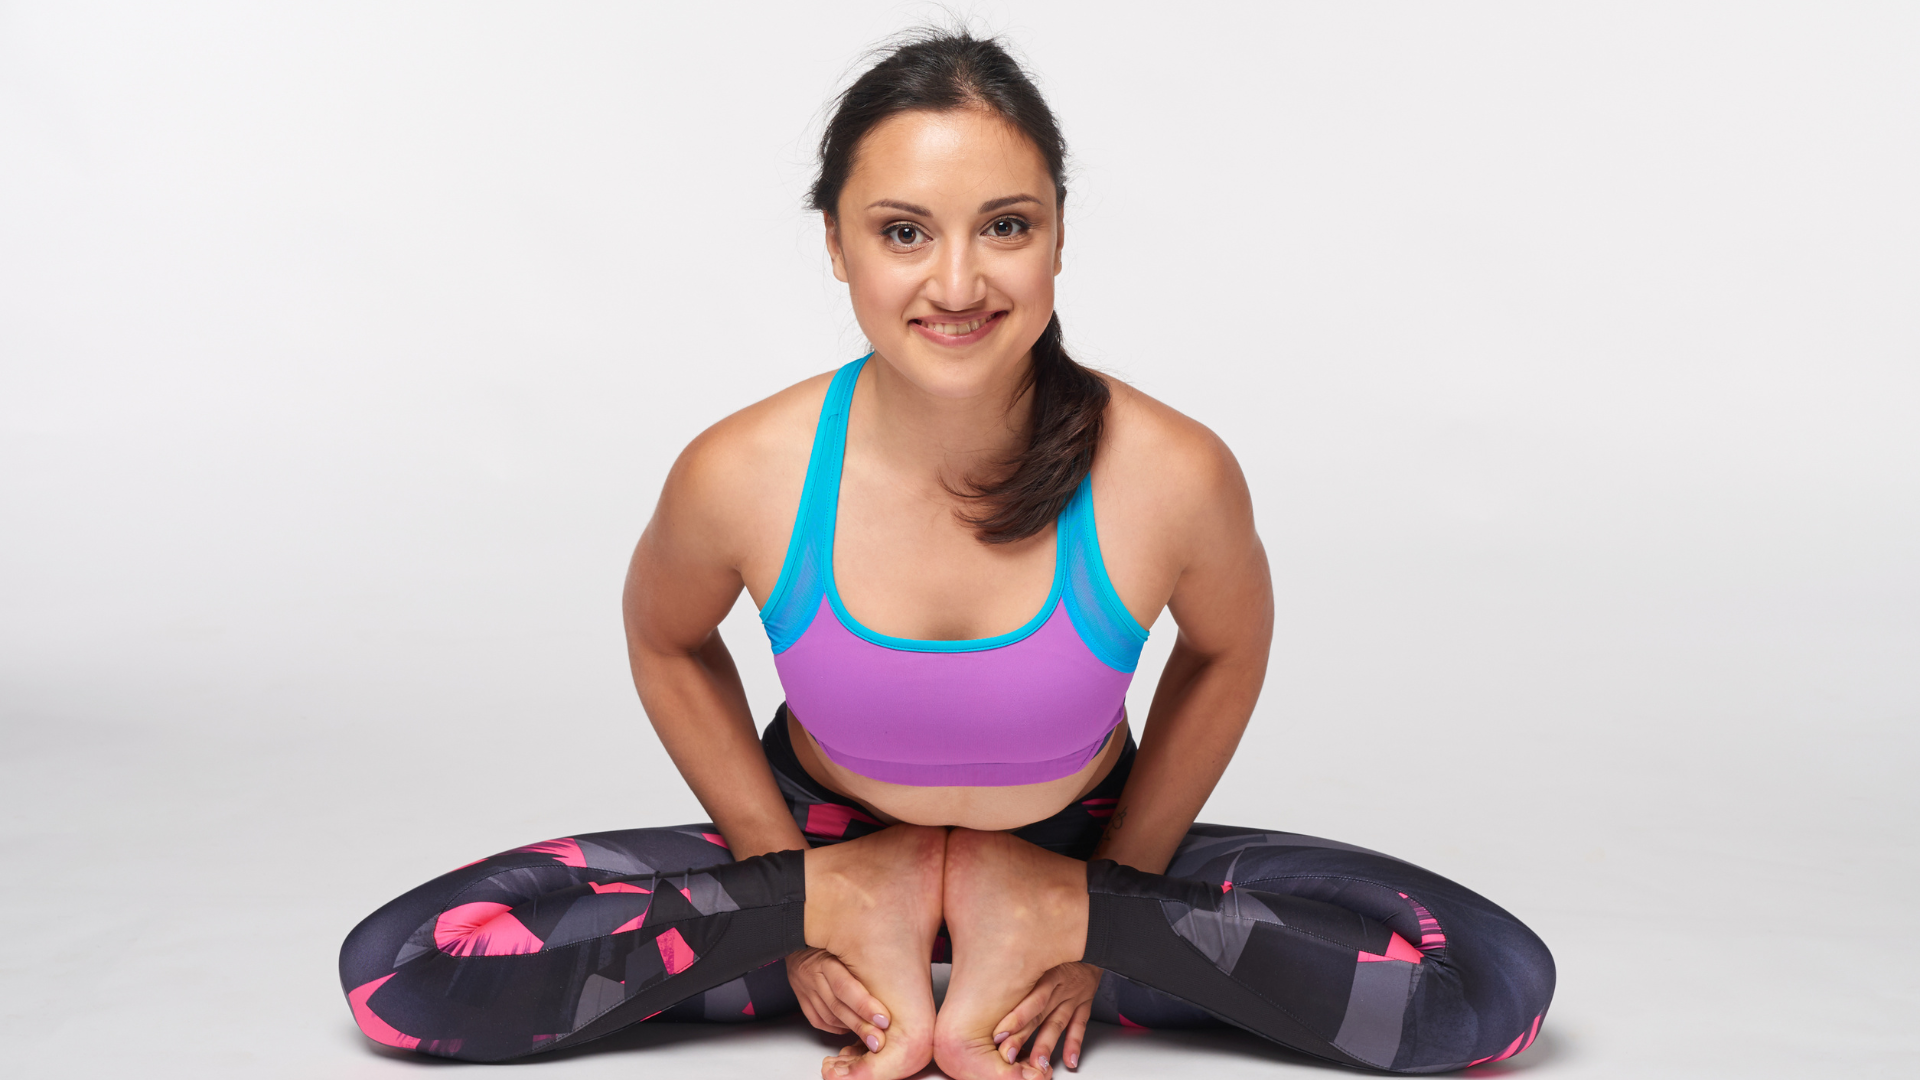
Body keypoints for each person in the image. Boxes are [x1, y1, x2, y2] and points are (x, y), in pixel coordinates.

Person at [337, 30, 1555, 1079]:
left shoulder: (1172, 471)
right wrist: (797, 892)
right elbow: (665, 635)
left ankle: (1020, 912)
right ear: (836, 245)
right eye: (905, 232)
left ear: (1061, 237)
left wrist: (1098, 908)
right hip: (819, 860)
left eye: (1006, 226)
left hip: (1085, 864)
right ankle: (879, 900)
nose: (958, 281)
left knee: (1483, 989)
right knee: (404, 976)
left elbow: (1229, 649)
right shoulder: (743, 471)